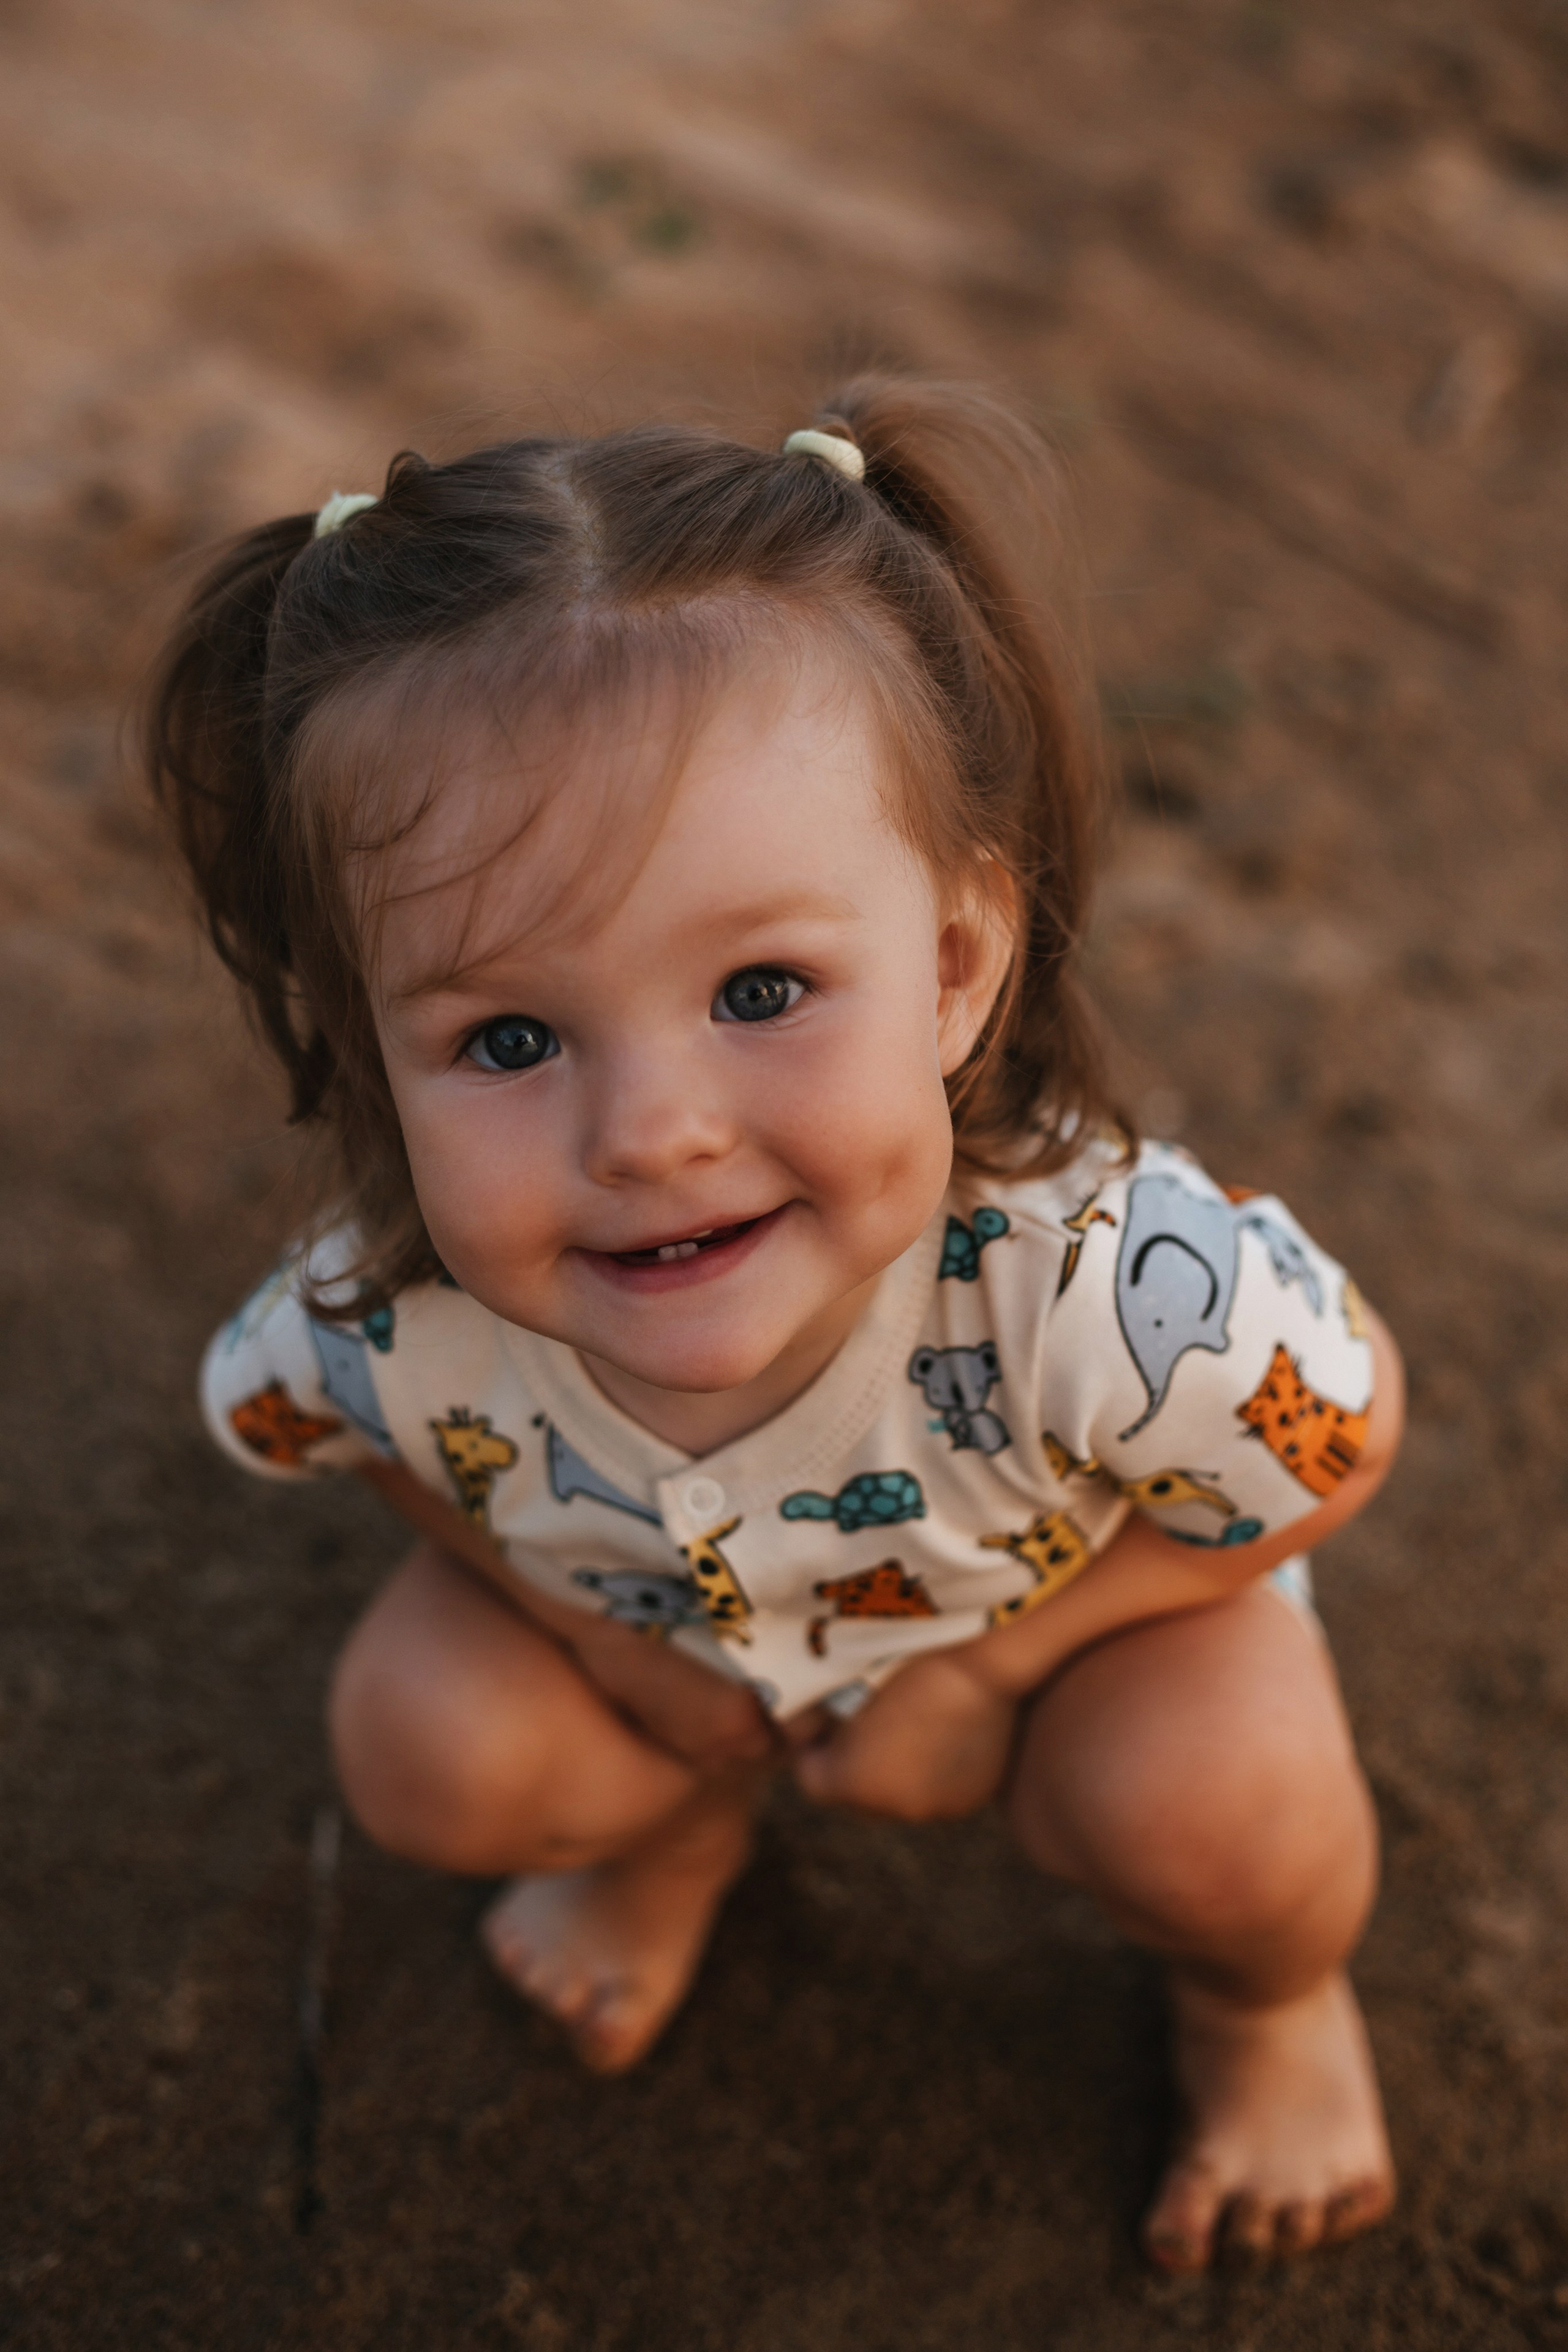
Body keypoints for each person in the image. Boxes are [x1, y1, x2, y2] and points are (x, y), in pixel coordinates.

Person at [152, 381, 1403, 2272]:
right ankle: (673, 1833)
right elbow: (345, 1434)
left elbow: (1343, 1437)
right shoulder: (395, 1306)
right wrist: (592, 1634)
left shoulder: (1102, 1290)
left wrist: (991, 1678)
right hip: (683, 1657)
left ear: (959, 965)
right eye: (507, 1039)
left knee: (1222, 1806)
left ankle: (1263, 2009)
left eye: (762, 987)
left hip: (1071, 1638)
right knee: (427, 1739)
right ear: (364, 1042)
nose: (652, 1132)